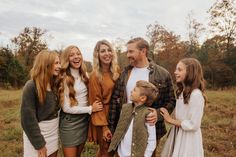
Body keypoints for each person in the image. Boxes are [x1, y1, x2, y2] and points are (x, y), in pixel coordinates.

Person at [108, 37, 176, 157]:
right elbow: (115, 101)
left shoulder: (162, 74)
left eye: (131, 51)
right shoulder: (125, 74)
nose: (128, 55)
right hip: (124, 130)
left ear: (143, 51)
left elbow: (171, 101)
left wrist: (158, 113)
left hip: (149, 130)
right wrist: (111, 127)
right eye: (127, 51)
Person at [58, 45, 103, 157]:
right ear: (66, 59)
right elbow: (66, 108)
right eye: (72, 55)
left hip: (84, 120)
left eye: (78, 54)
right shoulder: (64, 78)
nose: (76, 57)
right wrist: (91, 108)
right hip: (70, 123)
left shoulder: (85, 75)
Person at [160, 58, 206, 157]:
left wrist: (170, 120)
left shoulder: (196, 95)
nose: (175, 72)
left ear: (190, 72)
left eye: (179, 70)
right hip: (178, 132)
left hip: (188, 138)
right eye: (176, 69)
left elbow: (194, 124)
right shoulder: (182, 92)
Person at [21, 50, 61, 157]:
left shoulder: (54, 84)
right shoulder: (31, 86)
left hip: (53, 133)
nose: (59, 66)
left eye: (59, 63)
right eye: (56, 63)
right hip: (38, 135)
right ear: (46, 64)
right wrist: (39, 144)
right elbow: (27, 120)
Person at [108, 80, 158, 157]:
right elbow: (120, 129)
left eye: (134, 90)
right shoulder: (125, 108)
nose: (131, 91)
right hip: (120, 153)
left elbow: (152, 140)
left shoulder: (148, 115)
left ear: (142, 98)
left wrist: (146, 155)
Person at [88, 40, 120, 157]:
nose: (107, 53)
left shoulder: (116, 70)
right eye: (103, 51)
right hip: (103, 116)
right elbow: (97, 103)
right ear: (97, 55)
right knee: (106, 149)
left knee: (113, 149)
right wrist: (105, 127)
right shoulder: (95, 76)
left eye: (109, 50)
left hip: (116, 113)